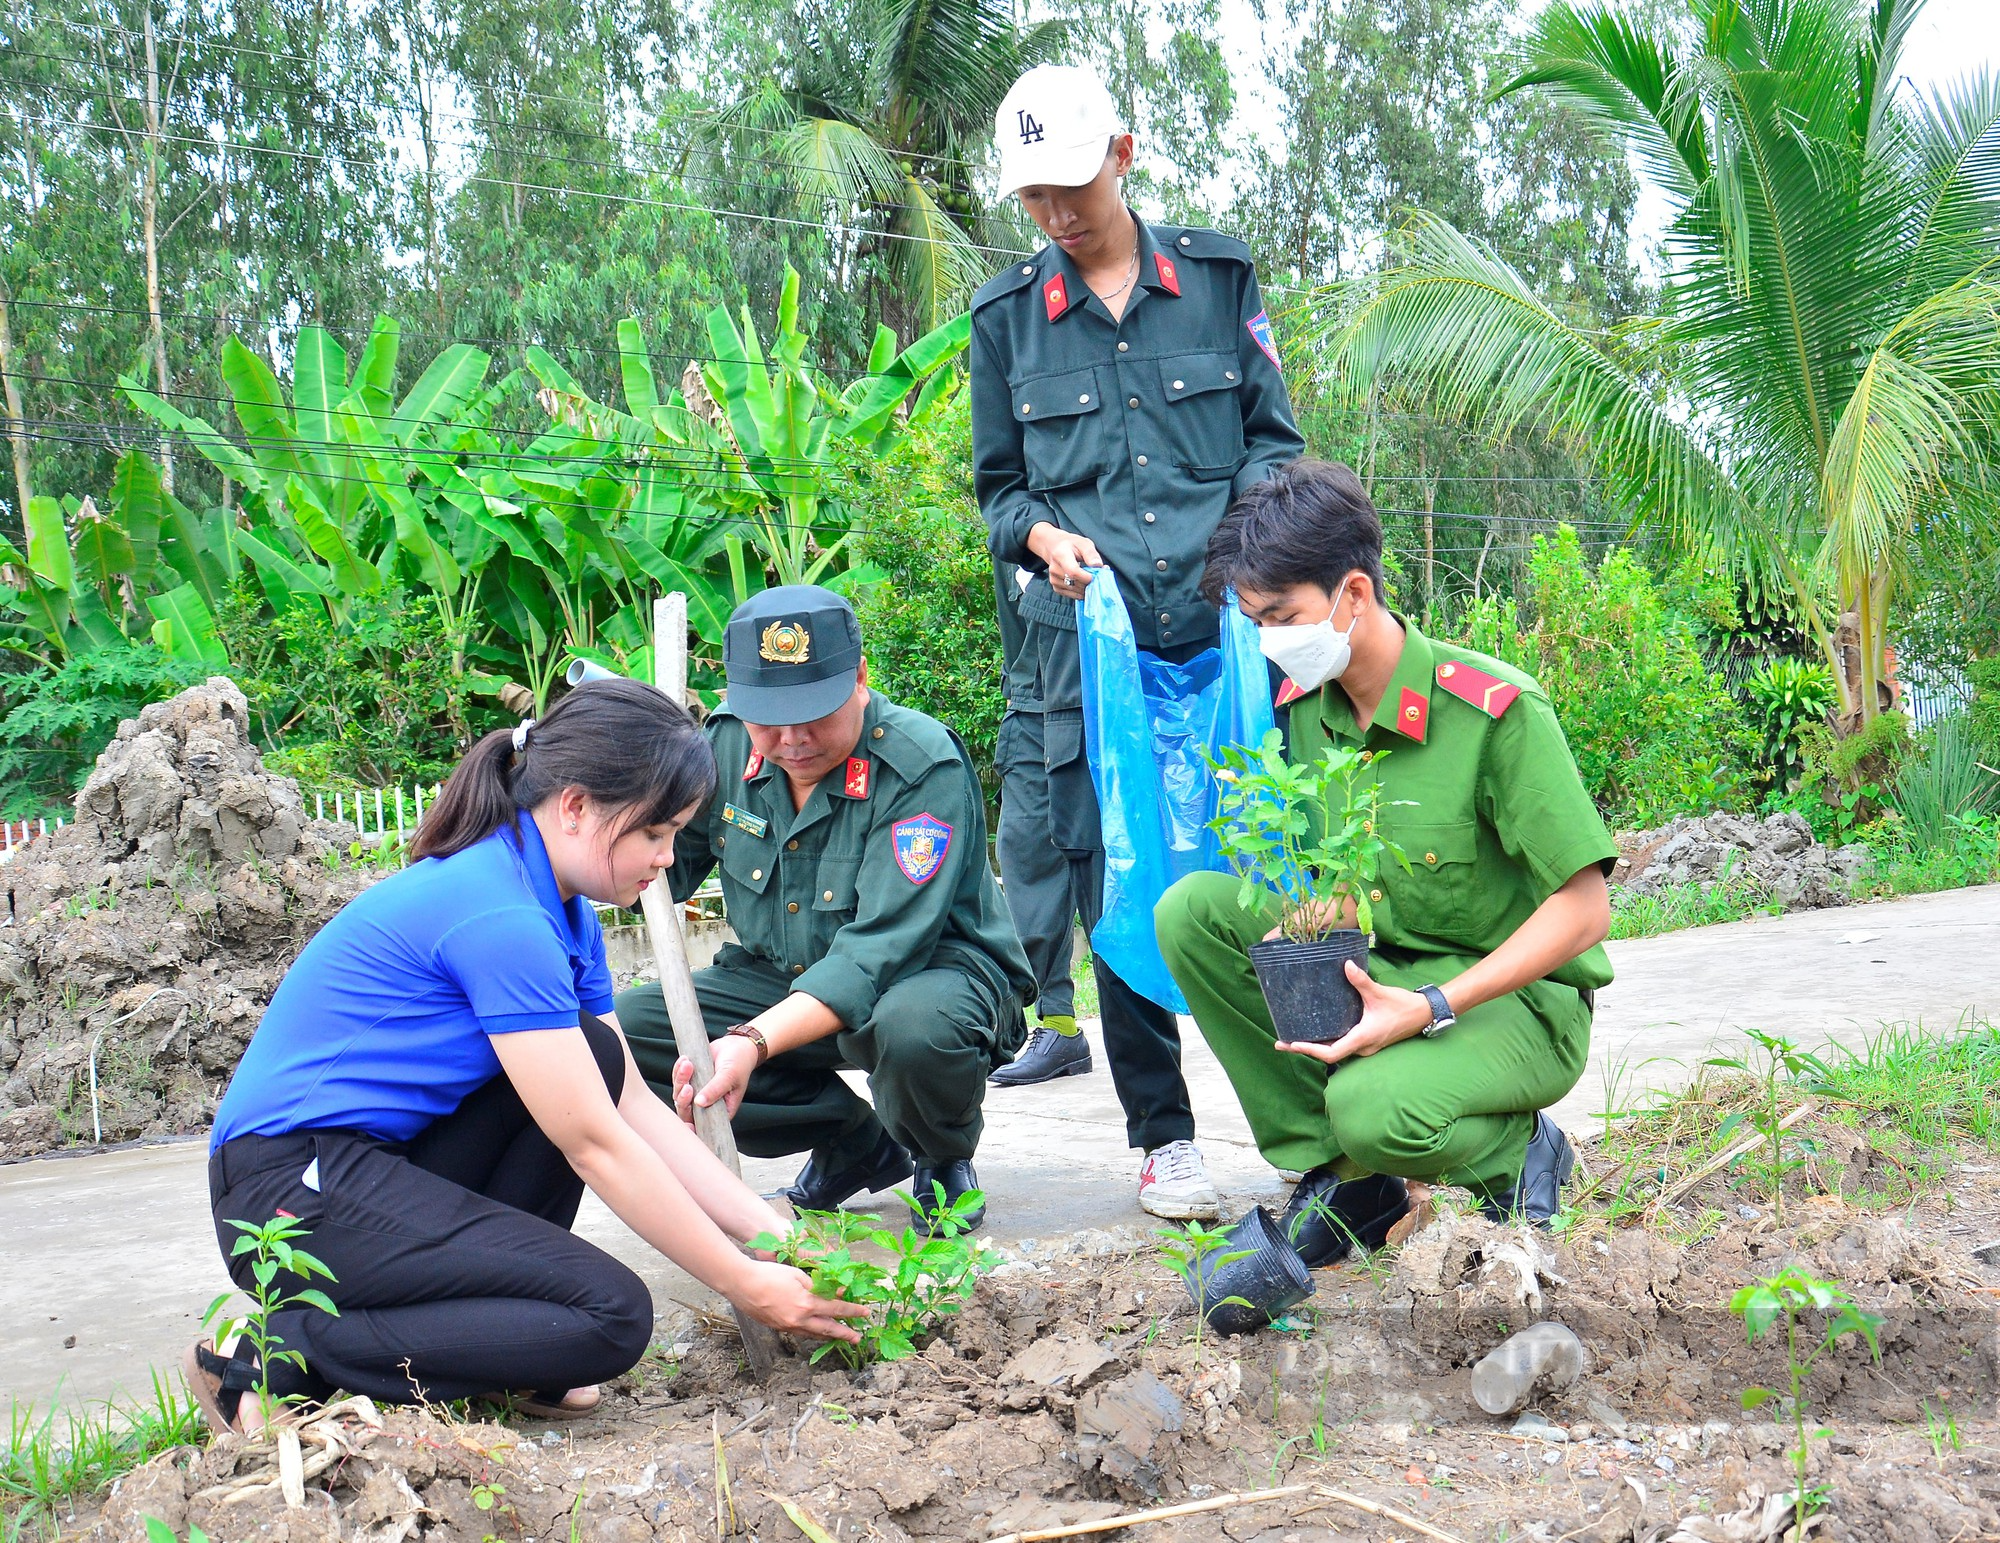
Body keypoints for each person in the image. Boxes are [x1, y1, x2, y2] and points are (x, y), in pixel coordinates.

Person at [188, 679, 864, 1436]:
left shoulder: (562, 905)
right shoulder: (497, 910)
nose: (668, 858)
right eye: (656, 833)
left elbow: (625, 1102)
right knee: (609, 1317)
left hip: (385, 1161)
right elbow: (596, 1145)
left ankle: (498, 1364)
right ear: (575, 806)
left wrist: (780, 1240)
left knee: (598, 1054)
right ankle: (279, 1349)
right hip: (289, 1192)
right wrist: (742, 1279)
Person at [969, 62, 1305, 1219]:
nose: (1057, 215)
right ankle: (1162, 1139)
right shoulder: (1006, 320)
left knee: (1274, 858)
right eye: (1033, 198)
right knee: (1116, 877)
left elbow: (1274, 444)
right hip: (1089, 655)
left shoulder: (1215, 280)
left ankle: (1315, 1119)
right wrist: (1041, 542)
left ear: (1122, 151)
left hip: (1231, 644)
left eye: (1071, 184)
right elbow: (998, 495)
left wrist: (1244, 554)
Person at [1155, 460, 1616, 1264]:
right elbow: (1340, 878)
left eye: (1280, 616)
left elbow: (1585, 911)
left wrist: (1431, 1003)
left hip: (1514, 1002)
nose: (1269, 642)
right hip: (1383, 972)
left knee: (1372, 1107)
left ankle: (1521, 1153)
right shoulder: (1308, 712)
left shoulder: (1493, 712)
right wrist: (1321, 911)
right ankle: (1350, 1179)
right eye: (1254, 622)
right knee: (1192, 911)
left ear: (1355, 594)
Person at [617, 586, 1033, 1233]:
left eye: (814, 713)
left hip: (930, 973)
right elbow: (664, 862)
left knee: (911, 1026)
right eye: (769, 718)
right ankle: (854, 1140)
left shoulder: (921, 765)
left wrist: (753, 1040)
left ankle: (940, 1154)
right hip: (780, 968)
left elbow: (877, 952)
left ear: (861, 677)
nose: (792, 739)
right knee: (628, 1029)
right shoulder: (723, 744)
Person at [987, 558, 1091, 1084]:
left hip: (1100, 708)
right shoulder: (1011, 537)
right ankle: (1058, 1024)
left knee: (1108, 873)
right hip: (1030, 713)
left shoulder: (1102, 517)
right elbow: (1014, 625)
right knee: (1025, 861)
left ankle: (1140, 1020)